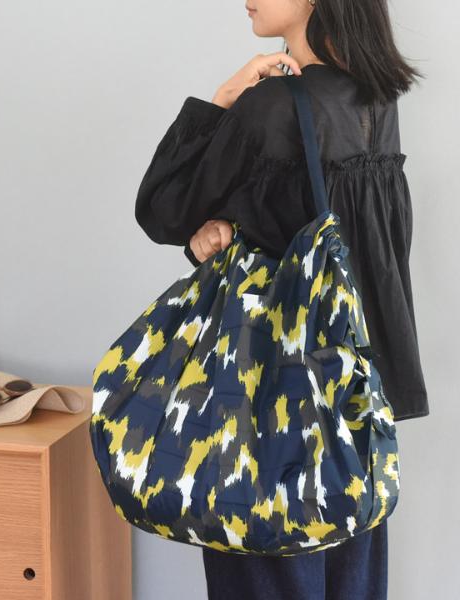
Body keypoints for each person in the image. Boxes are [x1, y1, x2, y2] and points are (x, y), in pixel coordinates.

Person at [134, 0, 430, 598]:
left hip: (266, 415)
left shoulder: (271, 107)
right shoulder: (377, 101)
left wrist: (225, 96)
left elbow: (162, 209)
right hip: (351, 410)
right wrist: (228, 228)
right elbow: (344, 243)